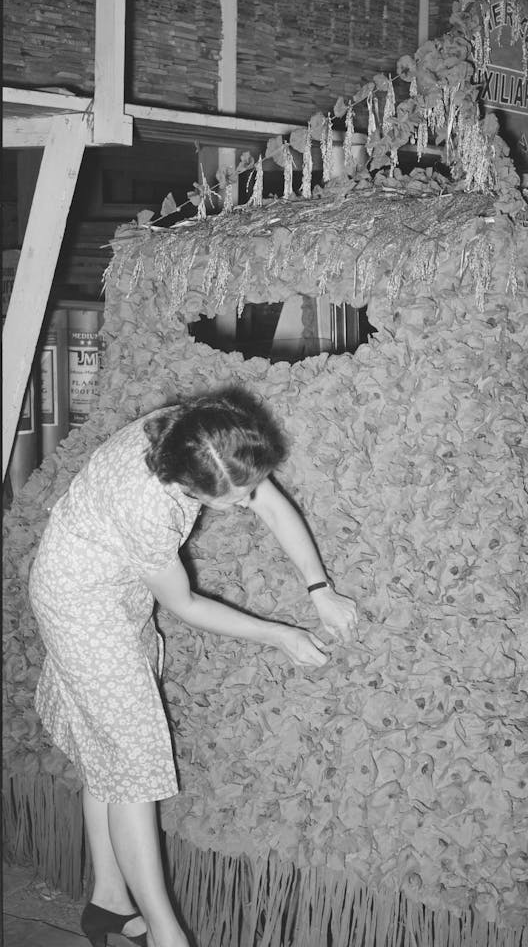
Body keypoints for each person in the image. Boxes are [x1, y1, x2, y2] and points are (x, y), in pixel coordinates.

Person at [28, 387, 358, 947]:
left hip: (114, 585)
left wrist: (319, 588)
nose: (247, 502)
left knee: (110, 746)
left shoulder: (192, 434)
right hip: (79, 602)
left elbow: (269, 499)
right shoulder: (149, 504)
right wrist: (280, 634)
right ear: (186, 487)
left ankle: (108, 900)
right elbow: (184, 605)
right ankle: (165, 935)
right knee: (131, 763)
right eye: (234, 500)